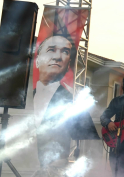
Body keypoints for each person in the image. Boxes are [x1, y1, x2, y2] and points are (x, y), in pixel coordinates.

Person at [33, 33, 98, 167]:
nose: (57, 57)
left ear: (68, 64)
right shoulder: (21, 97)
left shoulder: (72, 98)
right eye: (51, 50)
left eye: (65, 52)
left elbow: (85, 134)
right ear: (37, 61)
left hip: (56, 162)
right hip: (28, 163)